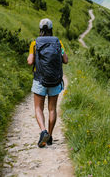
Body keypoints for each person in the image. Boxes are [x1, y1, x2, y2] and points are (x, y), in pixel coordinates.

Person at [27, 18, 68, 148]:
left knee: (38, 108)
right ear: (51, 29)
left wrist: (32, 55)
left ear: (40, 29)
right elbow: (65, 60)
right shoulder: (58, 42)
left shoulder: (35, 43)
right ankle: (49, 135)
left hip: (39, 79)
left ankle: (43, 131)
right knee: (52, 109)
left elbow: (30, 61)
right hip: (55, 81)